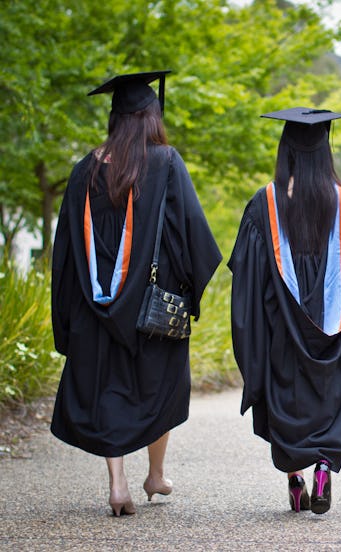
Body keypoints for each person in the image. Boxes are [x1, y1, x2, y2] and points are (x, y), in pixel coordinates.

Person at [50, 71, 222, 517]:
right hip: (150, 307)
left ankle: (118, 483)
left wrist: (68, 315)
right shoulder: (164, 161)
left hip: (94, 306)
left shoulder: (83, 170)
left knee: (108, 389)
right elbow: (194, 236)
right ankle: (155, 474)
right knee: (159, 386)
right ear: (151, 117)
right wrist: (188, 289)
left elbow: (65, 250)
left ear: (114, 117)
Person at [228, 107, 341, 515]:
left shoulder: (264, 203)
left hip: (280, 336)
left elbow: (247, 278)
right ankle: (324, 466)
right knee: (329, 400)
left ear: (284, 150)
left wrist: (251, 332)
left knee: (285, 403)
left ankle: (295, 480)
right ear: (324, 152)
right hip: (334, 336)